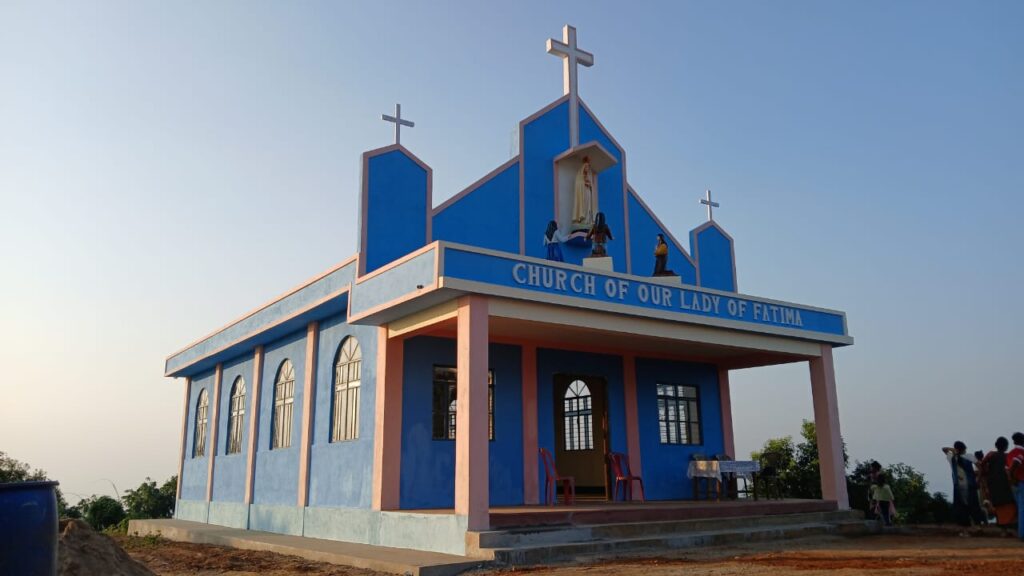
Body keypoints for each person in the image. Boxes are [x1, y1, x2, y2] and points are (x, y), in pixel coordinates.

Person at [943, 441, 986, 535]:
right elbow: (980, 467)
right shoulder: (969, 456)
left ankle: (965, 530)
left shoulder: (952, 457)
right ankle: (977, 528)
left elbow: (944, 449)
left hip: (958, 486)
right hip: (970, 485)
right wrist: (978, 480)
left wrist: (953, 450)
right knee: (974, 506)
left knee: (961, 508)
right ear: (964, 448)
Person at [980, 437, 1017, 536]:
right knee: (1009, 506)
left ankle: (1003, 531)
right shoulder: (1008, 456)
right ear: (1006, 446)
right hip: (1006, 484)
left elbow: (982, 465)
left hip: (993, 484)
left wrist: (985, 475)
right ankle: (1008, 530)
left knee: (999, 507)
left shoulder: (991, 455)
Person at [1007, 432, 1024, 540]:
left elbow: (1008, 469)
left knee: (1021, 508)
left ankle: (1021, 533)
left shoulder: (1010, 453)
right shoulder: (1021, 452)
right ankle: (1022, 534)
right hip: (1021, 482)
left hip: (1016, 483)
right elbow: (1014, 465)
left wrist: (1011, 480)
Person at [573, 156, 594, 225]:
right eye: (586, 167)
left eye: (588, 167)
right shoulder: (579, 175)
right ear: (584, 167)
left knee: (588, 206)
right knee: (583, 205)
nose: (588, 168)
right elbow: (578, 184)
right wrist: (584, 183)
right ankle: (582, 220)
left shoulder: (588, 176)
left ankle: (587, 220)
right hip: (582, 193)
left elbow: (591, 185)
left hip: (587, 192)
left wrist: (590, 185)